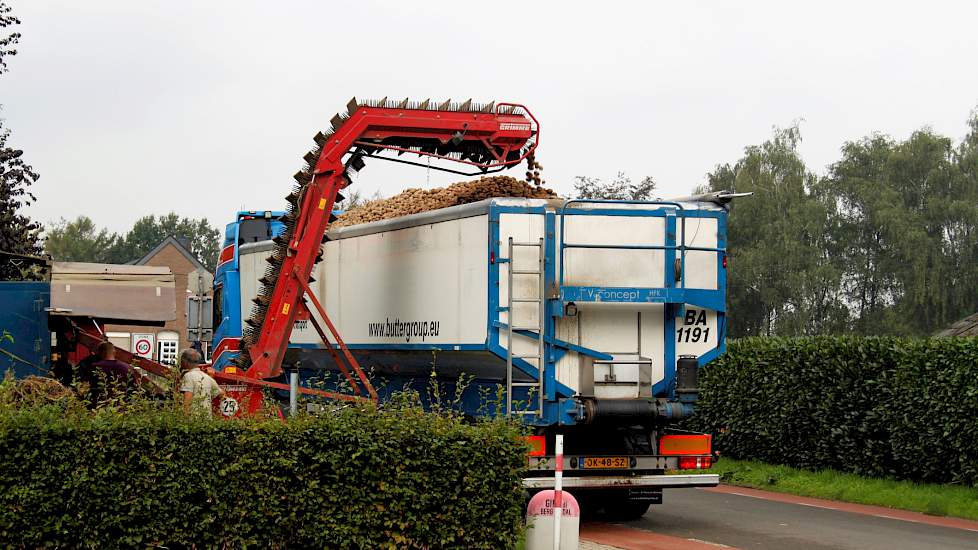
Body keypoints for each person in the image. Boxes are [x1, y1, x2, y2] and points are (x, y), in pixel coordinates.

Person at [178, 348, 225, 415]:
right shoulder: (207, 377)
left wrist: (185, 419)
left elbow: (187, 401)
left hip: (194, 420)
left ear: (184, 362)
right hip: (206, 420)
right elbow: (222, 393)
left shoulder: (188, 376)